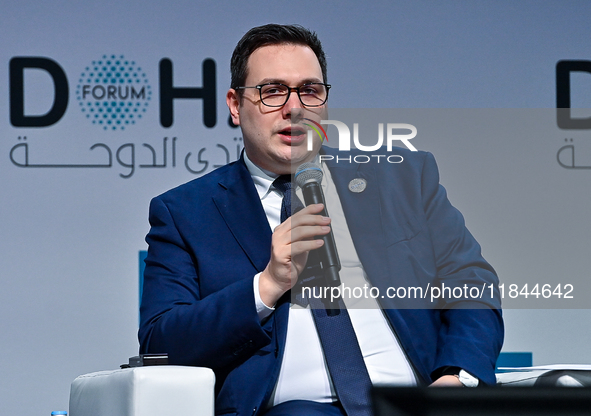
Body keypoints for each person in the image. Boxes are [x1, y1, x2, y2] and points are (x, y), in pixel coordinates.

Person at [139, 23, 503, 416]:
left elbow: (471, 282)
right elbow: (161, 341)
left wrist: (457, 379)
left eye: (310, 90)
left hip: (414, 403)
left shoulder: (402, 178)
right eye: (272, 91)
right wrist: (267, 284)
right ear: (234, 104)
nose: (294, 107)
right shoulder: (185, 212)